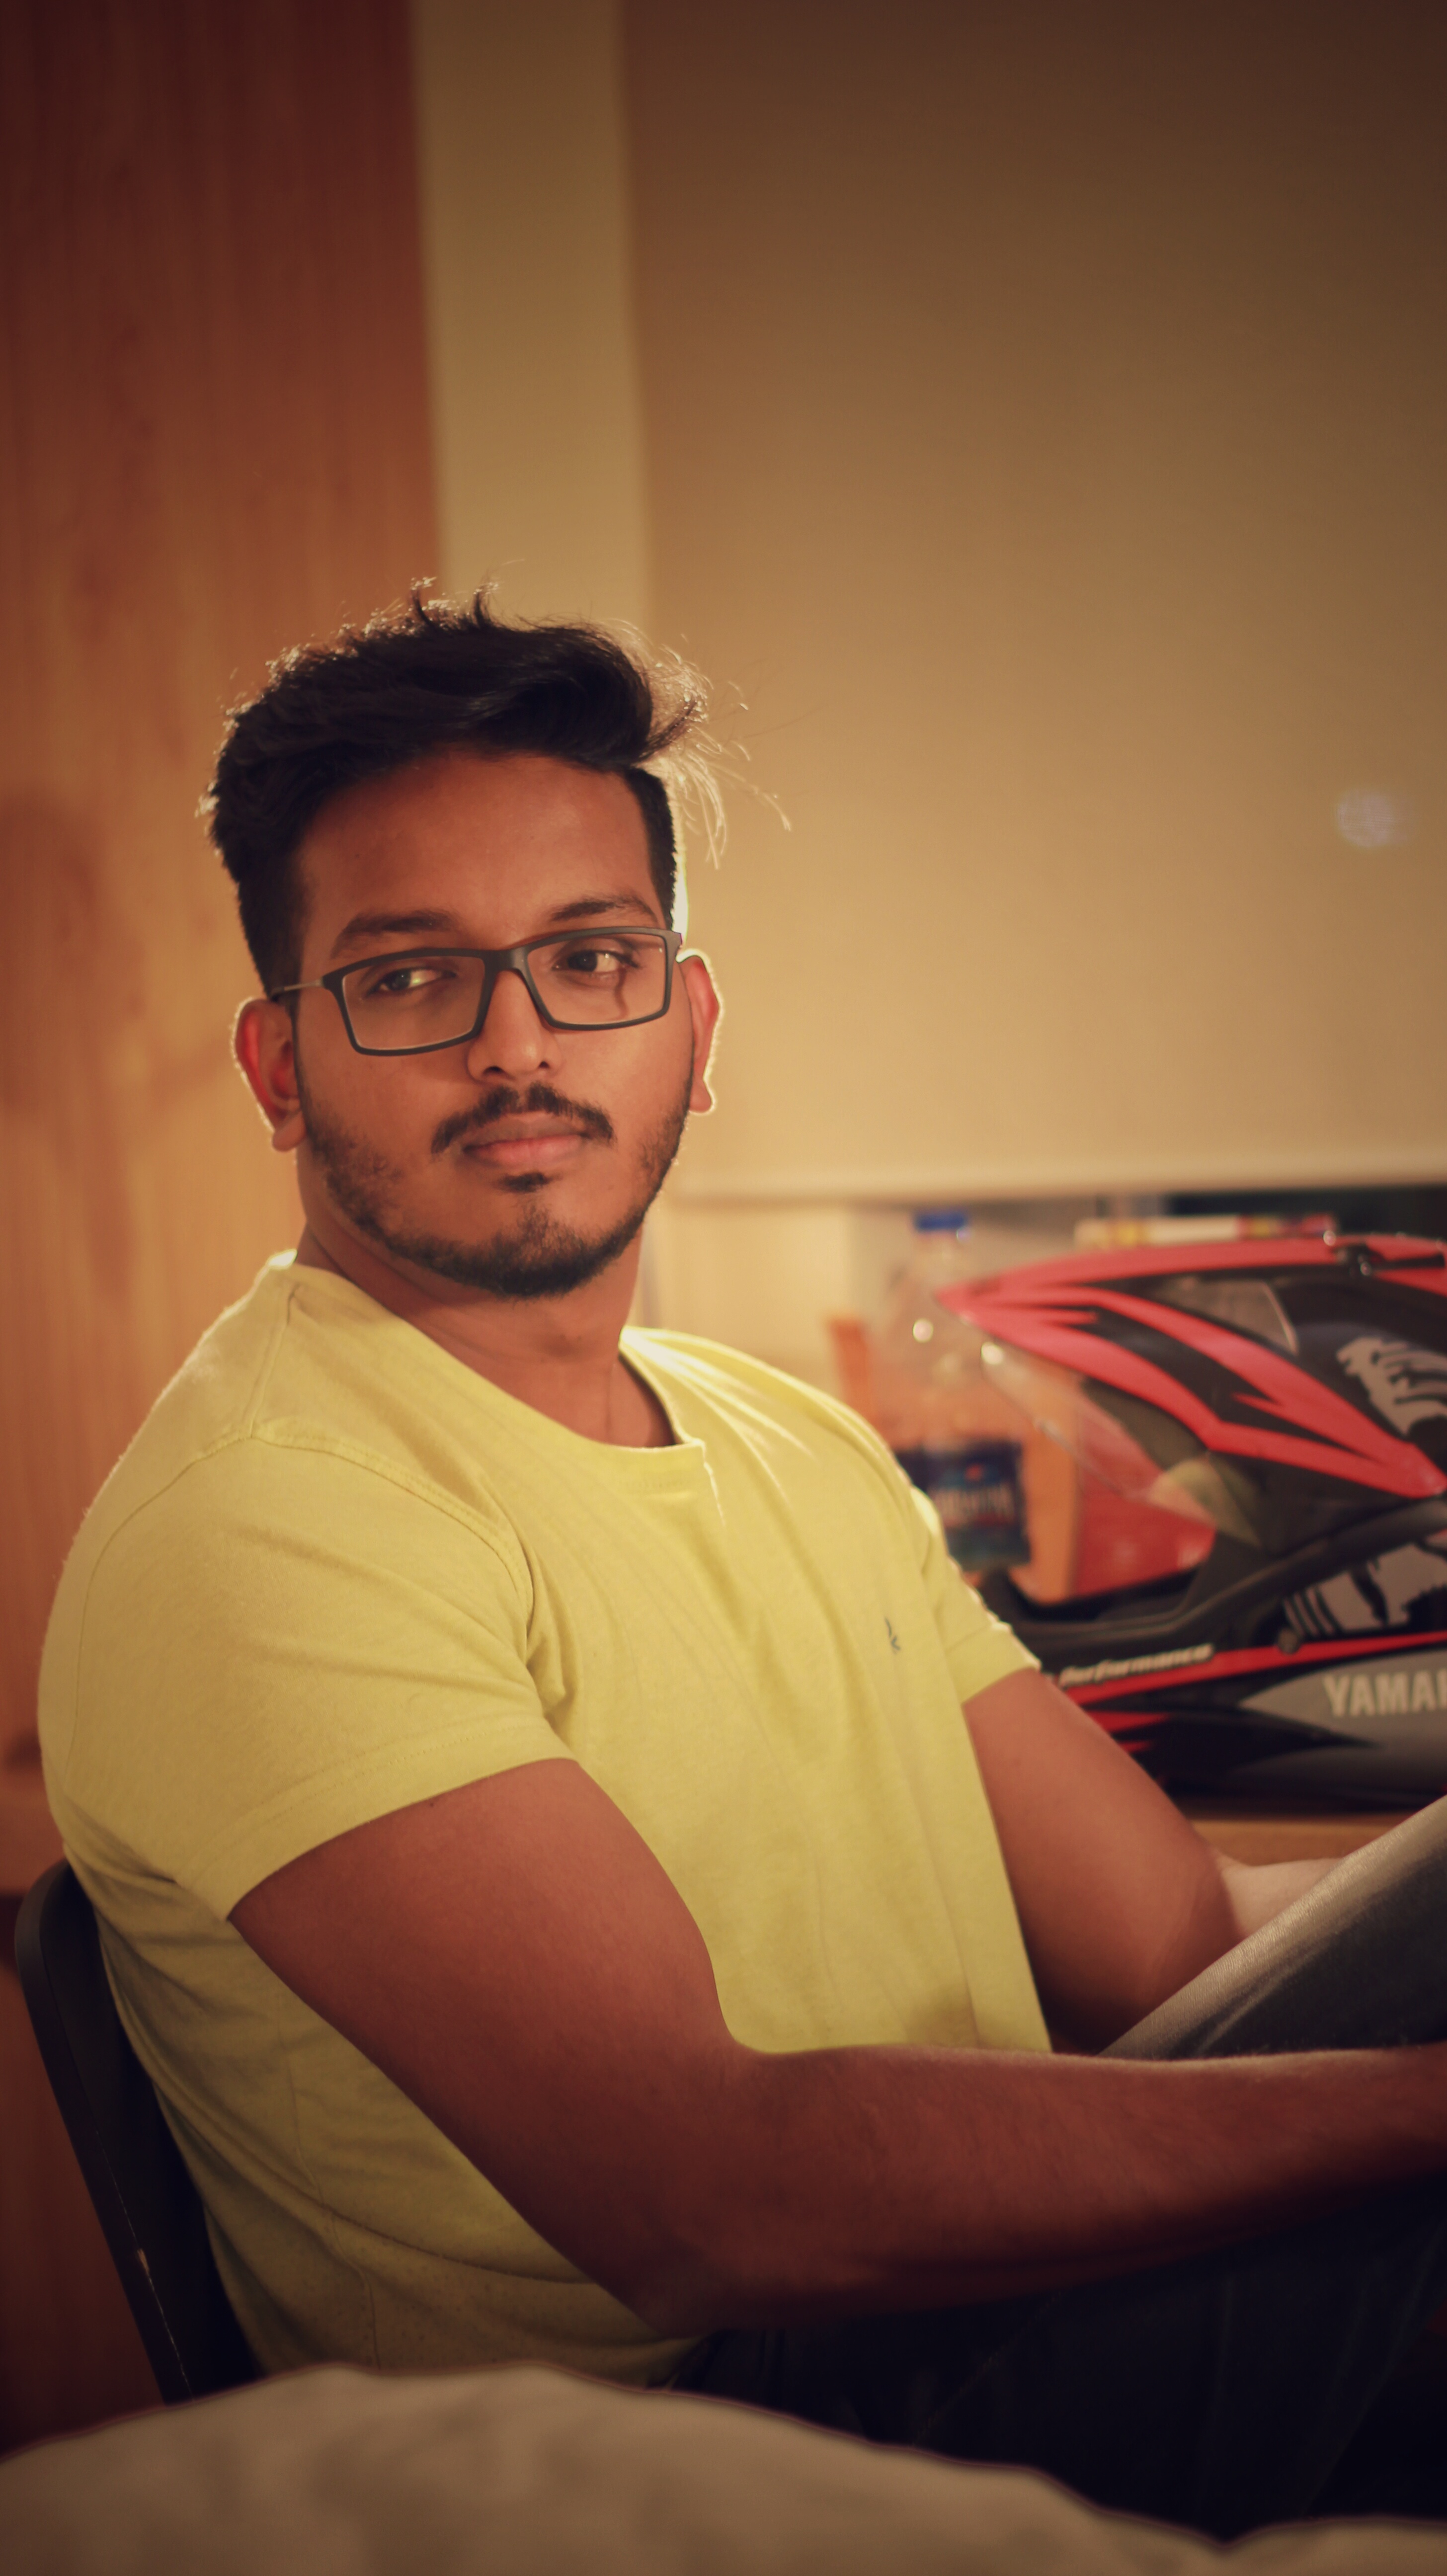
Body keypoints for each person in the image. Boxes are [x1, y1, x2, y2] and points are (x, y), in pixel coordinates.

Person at [38, 595, 1447, 2536]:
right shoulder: (268, 1520)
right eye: (412, 979)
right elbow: (708, 2199)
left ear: (691, 1030)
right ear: (280, 1066)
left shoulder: (786, 1435)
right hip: (736, 2428)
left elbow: (1177, 1946)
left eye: (590, 960)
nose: (519, 1045)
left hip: (992, 2301)